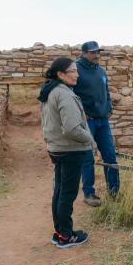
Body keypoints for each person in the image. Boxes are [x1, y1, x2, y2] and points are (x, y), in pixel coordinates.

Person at [38, 57, 94, 248]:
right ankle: (66, 236)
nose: (77, 74)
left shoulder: (50, 90)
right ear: (61, 74)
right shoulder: (64, 94)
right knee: (67, 194)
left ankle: (60, 232)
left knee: (60, 191)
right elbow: (71, 129)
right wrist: (91, 140)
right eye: (73, 71)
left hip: (57, 148)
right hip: (70, 150)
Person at [73, 41, 119, 206]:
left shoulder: (100, 70)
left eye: (98, 51)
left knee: (110, 156)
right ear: (84, 53)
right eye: (93, 52)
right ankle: (89, 194)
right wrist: (80, 115)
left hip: (103, 120)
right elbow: (70, 94)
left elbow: (105, 90)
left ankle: (114, 192)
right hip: (87, 121)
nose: (97, 55)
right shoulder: (76, 69)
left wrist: (109, 107)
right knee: (87, 158)